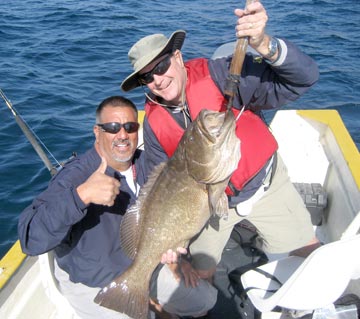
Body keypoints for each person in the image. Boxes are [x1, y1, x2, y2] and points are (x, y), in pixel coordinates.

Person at [120, 0, 321, 283]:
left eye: (162, 65)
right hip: (209, 205)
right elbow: (154, 183)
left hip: (264, 185)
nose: (158, 79)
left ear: (177, 57)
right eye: (146, 77)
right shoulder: (153, 122)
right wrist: (163, 239)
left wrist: (264, 44)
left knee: (310, 252)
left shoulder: (221, 76)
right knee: (200, 274)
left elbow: (304, 78)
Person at [18, 96, 217, 319]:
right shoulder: (75, 177)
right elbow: (30, 238)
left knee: (204, 300)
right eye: (112, 127)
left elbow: (167, 216)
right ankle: (149, 306)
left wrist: (176, 259)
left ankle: (151, 302)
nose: (122, 135)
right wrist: (81, 196)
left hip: (144, 264)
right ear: (97, 131)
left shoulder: (148, 164)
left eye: (129, 127)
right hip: (94, 281)